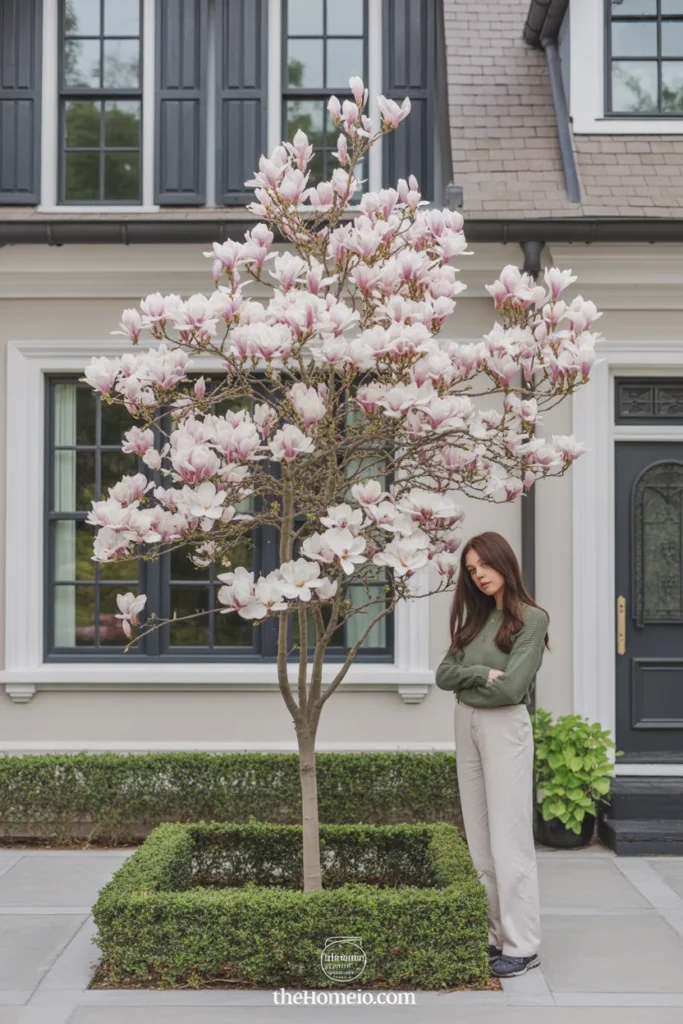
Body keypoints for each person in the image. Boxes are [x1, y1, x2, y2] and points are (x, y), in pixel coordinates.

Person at [435, 530, 550, 979]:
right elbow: (445, 675)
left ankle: (523, 944)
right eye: (471, 570)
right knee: (479, 839)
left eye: (483, 565)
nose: (478, 575)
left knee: (510, 838)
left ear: (504, 562)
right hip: (467, 723)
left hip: (505, 728)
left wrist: (473, 678)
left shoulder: (532, 619)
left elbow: (513, 687)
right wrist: (481, 670)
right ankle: (495, 936)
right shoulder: (473, 621)